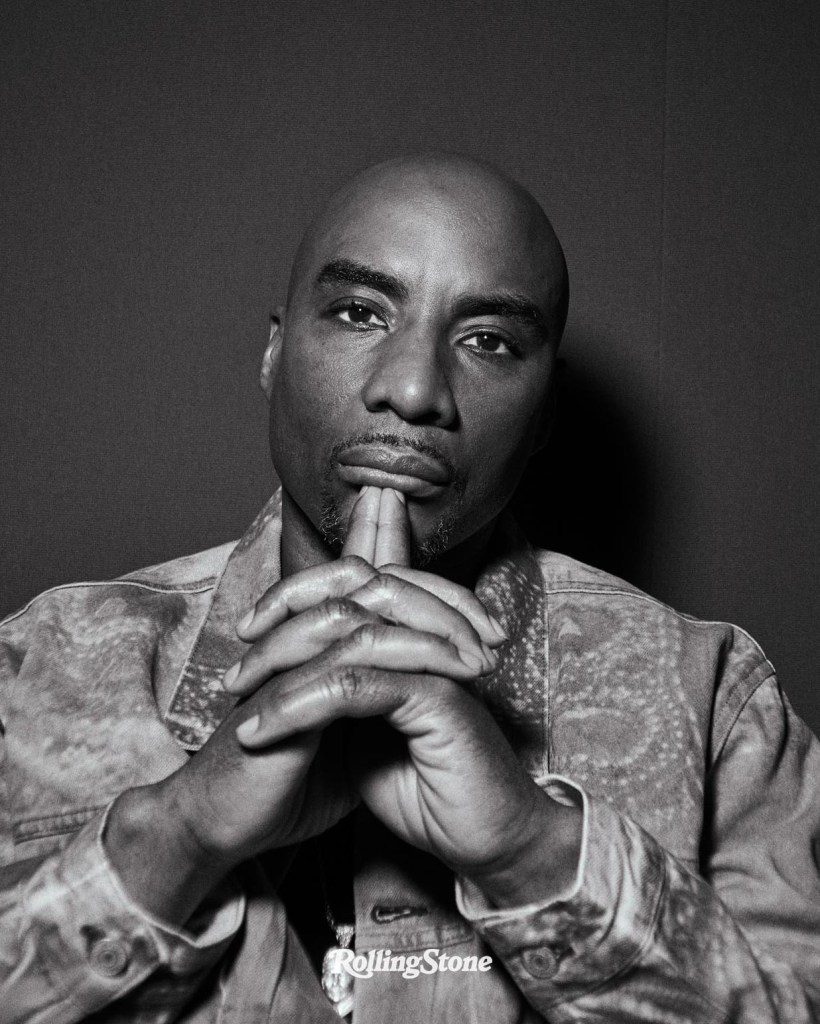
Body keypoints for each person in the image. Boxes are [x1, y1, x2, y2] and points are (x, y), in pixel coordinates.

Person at [1, 153, 817, 1024]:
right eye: (360, 312)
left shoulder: (712, 698)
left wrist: (533, 851)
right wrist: (175, 836)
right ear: (275, 350)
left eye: (489, 341)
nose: (414, 390)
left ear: (545, 412)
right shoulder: (46, 665)